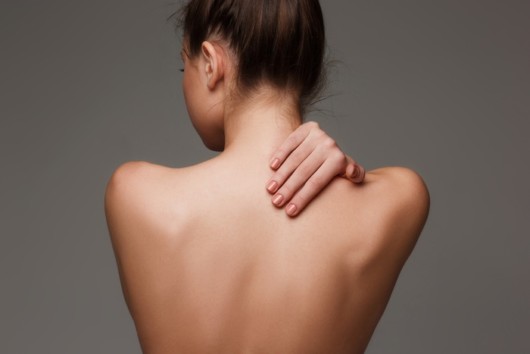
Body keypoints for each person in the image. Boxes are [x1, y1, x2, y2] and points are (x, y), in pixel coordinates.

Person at [104, 0, 430, 353]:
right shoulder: (399, 201)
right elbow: (393, 188)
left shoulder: (134, 195)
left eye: (184, 66)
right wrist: (349, 171)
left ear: (211, 64)